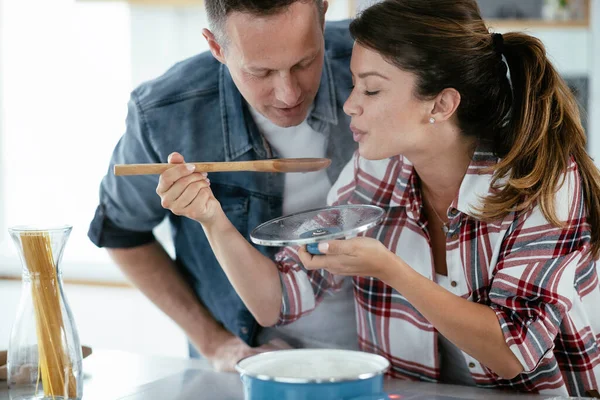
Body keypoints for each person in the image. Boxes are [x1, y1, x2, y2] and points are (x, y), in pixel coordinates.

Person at [157, 0, 600, 396]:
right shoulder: (377, 171)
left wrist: (391, 270)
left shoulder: (543, 184)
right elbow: (277, 300)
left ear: (441, 104)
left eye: (370, 89)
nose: (350, 104)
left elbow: (513, 352)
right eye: (352, 85)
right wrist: (210, 217)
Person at [88, 0, 359, 371]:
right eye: (261, 72)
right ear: (216, 47)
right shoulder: (166, 113)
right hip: (255, 367)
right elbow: (120, 233)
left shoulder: (378, 62)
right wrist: (213, 343)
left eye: (304, 62)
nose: (289, 94)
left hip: (397, 363)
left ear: (323, 14)